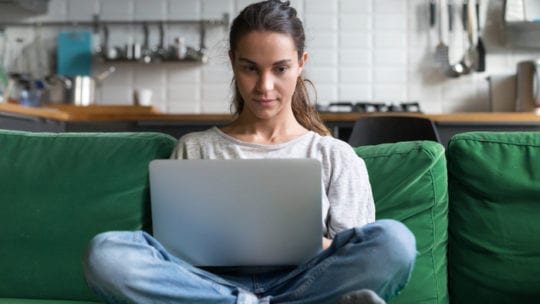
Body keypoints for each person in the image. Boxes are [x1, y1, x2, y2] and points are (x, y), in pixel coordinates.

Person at [82, 1, 417, 303]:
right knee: (107, 253)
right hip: (208, 283)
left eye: (280, 69)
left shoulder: (334, 155)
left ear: (301, 64)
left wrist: (304, 243)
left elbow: (353, 252)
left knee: (395, 241)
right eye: (250, 68)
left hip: (305, 282)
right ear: (232, 62)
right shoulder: (195, 148)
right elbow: (174, 254)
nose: (264, 86)